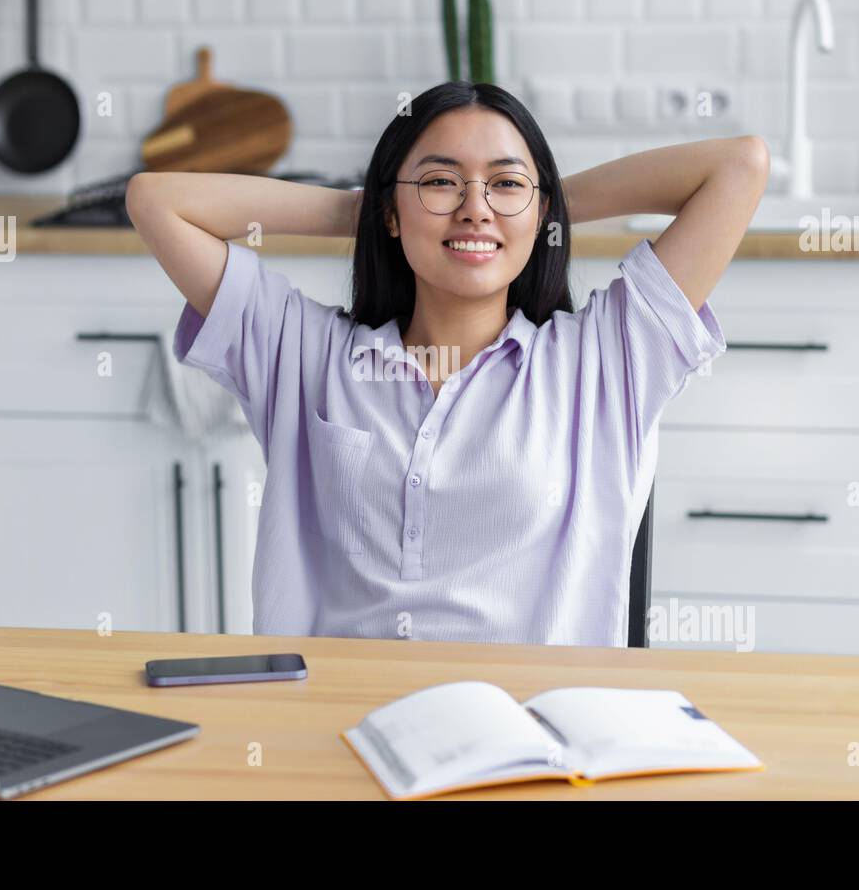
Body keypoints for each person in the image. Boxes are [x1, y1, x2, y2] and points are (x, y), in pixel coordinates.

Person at [126, 80, 768, 647]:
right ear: (391, 213)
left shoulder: (604, 361)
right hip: (334, 725)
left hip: (530, 739)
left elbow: (738, 167)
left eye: (506, 182)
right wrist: (372, 211)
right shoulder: (303, 354)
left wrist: (536, 208)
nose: (474, 207)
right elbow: (156, 199)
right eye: (439, 181)